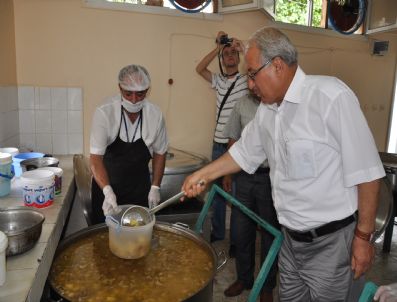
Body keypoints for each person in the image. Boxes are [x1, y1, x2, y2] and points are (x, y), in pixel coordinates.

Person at [183, 27, 385, 302]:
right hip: (290, 242)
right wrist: (202, 174)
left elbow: (368, 173)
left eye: (253, 74)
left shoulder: (330, 97)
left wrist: (363, 238)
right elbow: (242, 153)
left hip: (332, 244)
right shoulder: (268, 111)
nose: (250, 85)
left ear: (277, 65)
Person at [90, 64, 168, 223]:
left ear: (147, 90)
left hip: (139, 191)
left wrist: (155, 187)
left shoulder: (155, 115)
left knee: (138, 239)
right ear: (120, 88)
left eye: (140, 94)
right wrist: (107, 191)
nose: (133, 100)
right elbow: (95, 159)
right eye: (128, 94)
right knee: (105, 239)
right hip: (107, 188)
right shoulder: (105, 112)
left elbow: (160, 152)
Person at [222, 91, 280, 302]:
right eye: (249, 76)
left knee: (269, 234)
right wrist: (228, 173)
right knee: (240, 231)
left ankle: (267, 285)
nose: (252, 83)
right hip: (243, 177)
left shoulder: (278, 106)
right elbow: (233, 140)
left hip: (269, 179)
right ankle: (244, 279)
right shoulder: (241, 105)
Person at [196, 30, 249, 245]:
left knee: (236, 198)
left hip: (236, 147)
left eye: (232, 53)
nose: (229, 56)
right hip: (217, 146)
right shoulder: (218, 81)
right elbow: (199, 69)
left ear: (238, 58)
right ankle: (217, 236)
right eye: (225, 53)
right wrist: (217, 48)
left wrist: (242, 46)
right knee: (216, 195)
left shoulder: (246, 81)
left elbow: (256, 65)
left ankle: (236, 242)